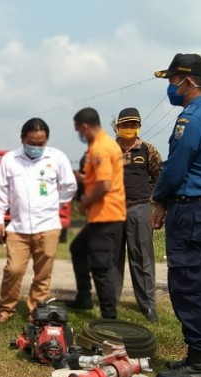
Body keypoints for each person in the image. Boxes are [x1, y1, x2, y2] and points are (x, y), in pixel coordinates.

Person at [150, 53, 201, 377]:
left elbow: (175, 168)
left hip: (191, 210)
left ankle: (200, 360)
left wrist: (159, 200)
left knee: (188, 285)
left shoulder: (191, 120)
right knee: (190, 283)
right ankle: (197, 355)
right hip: (200, 209)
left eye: (172, 81)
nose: (170, 88)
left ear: (188, 81)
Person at [0, 118, 77, 325]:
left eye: (41, 143)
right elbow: (2, 192)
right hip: (18, 228)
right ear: (22, 139)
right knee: (14, 270)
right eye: (32, 142)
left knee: (43, 272)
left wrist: (55, 203)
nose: (37, 147)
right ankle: (6, 308)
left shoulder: (56, 158)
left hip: (48, 226)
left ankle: (35, 309)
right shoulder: (10, 159)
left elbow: (69, 186)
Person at [69, 108, 126, 319]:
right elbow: (100, 179)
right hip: (103, 215)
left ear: (84, 127)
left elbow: (104, 184)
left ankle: (109, 317)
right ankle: (84, 297)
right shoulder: (109, 143)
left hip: (106, 215)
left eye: (78, 130)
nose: (79, 135)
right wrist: (81, 178)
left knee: (101, 268)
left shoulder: (100, 148)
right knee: (78, 248)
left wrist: (84, 202)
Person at [113, 107, 163, 323]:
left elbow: (160, 176)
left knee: (142, 258)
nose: (129, 128)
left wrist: (157, 204)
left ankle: (148, 305)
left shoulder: (148, 150)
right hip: (112, 209)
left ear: (138, 126)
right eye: (125, 125)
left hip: (139, 208)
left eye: (133, 124)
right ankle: (110, 303)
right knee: (112, 258)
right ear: (118, 127)